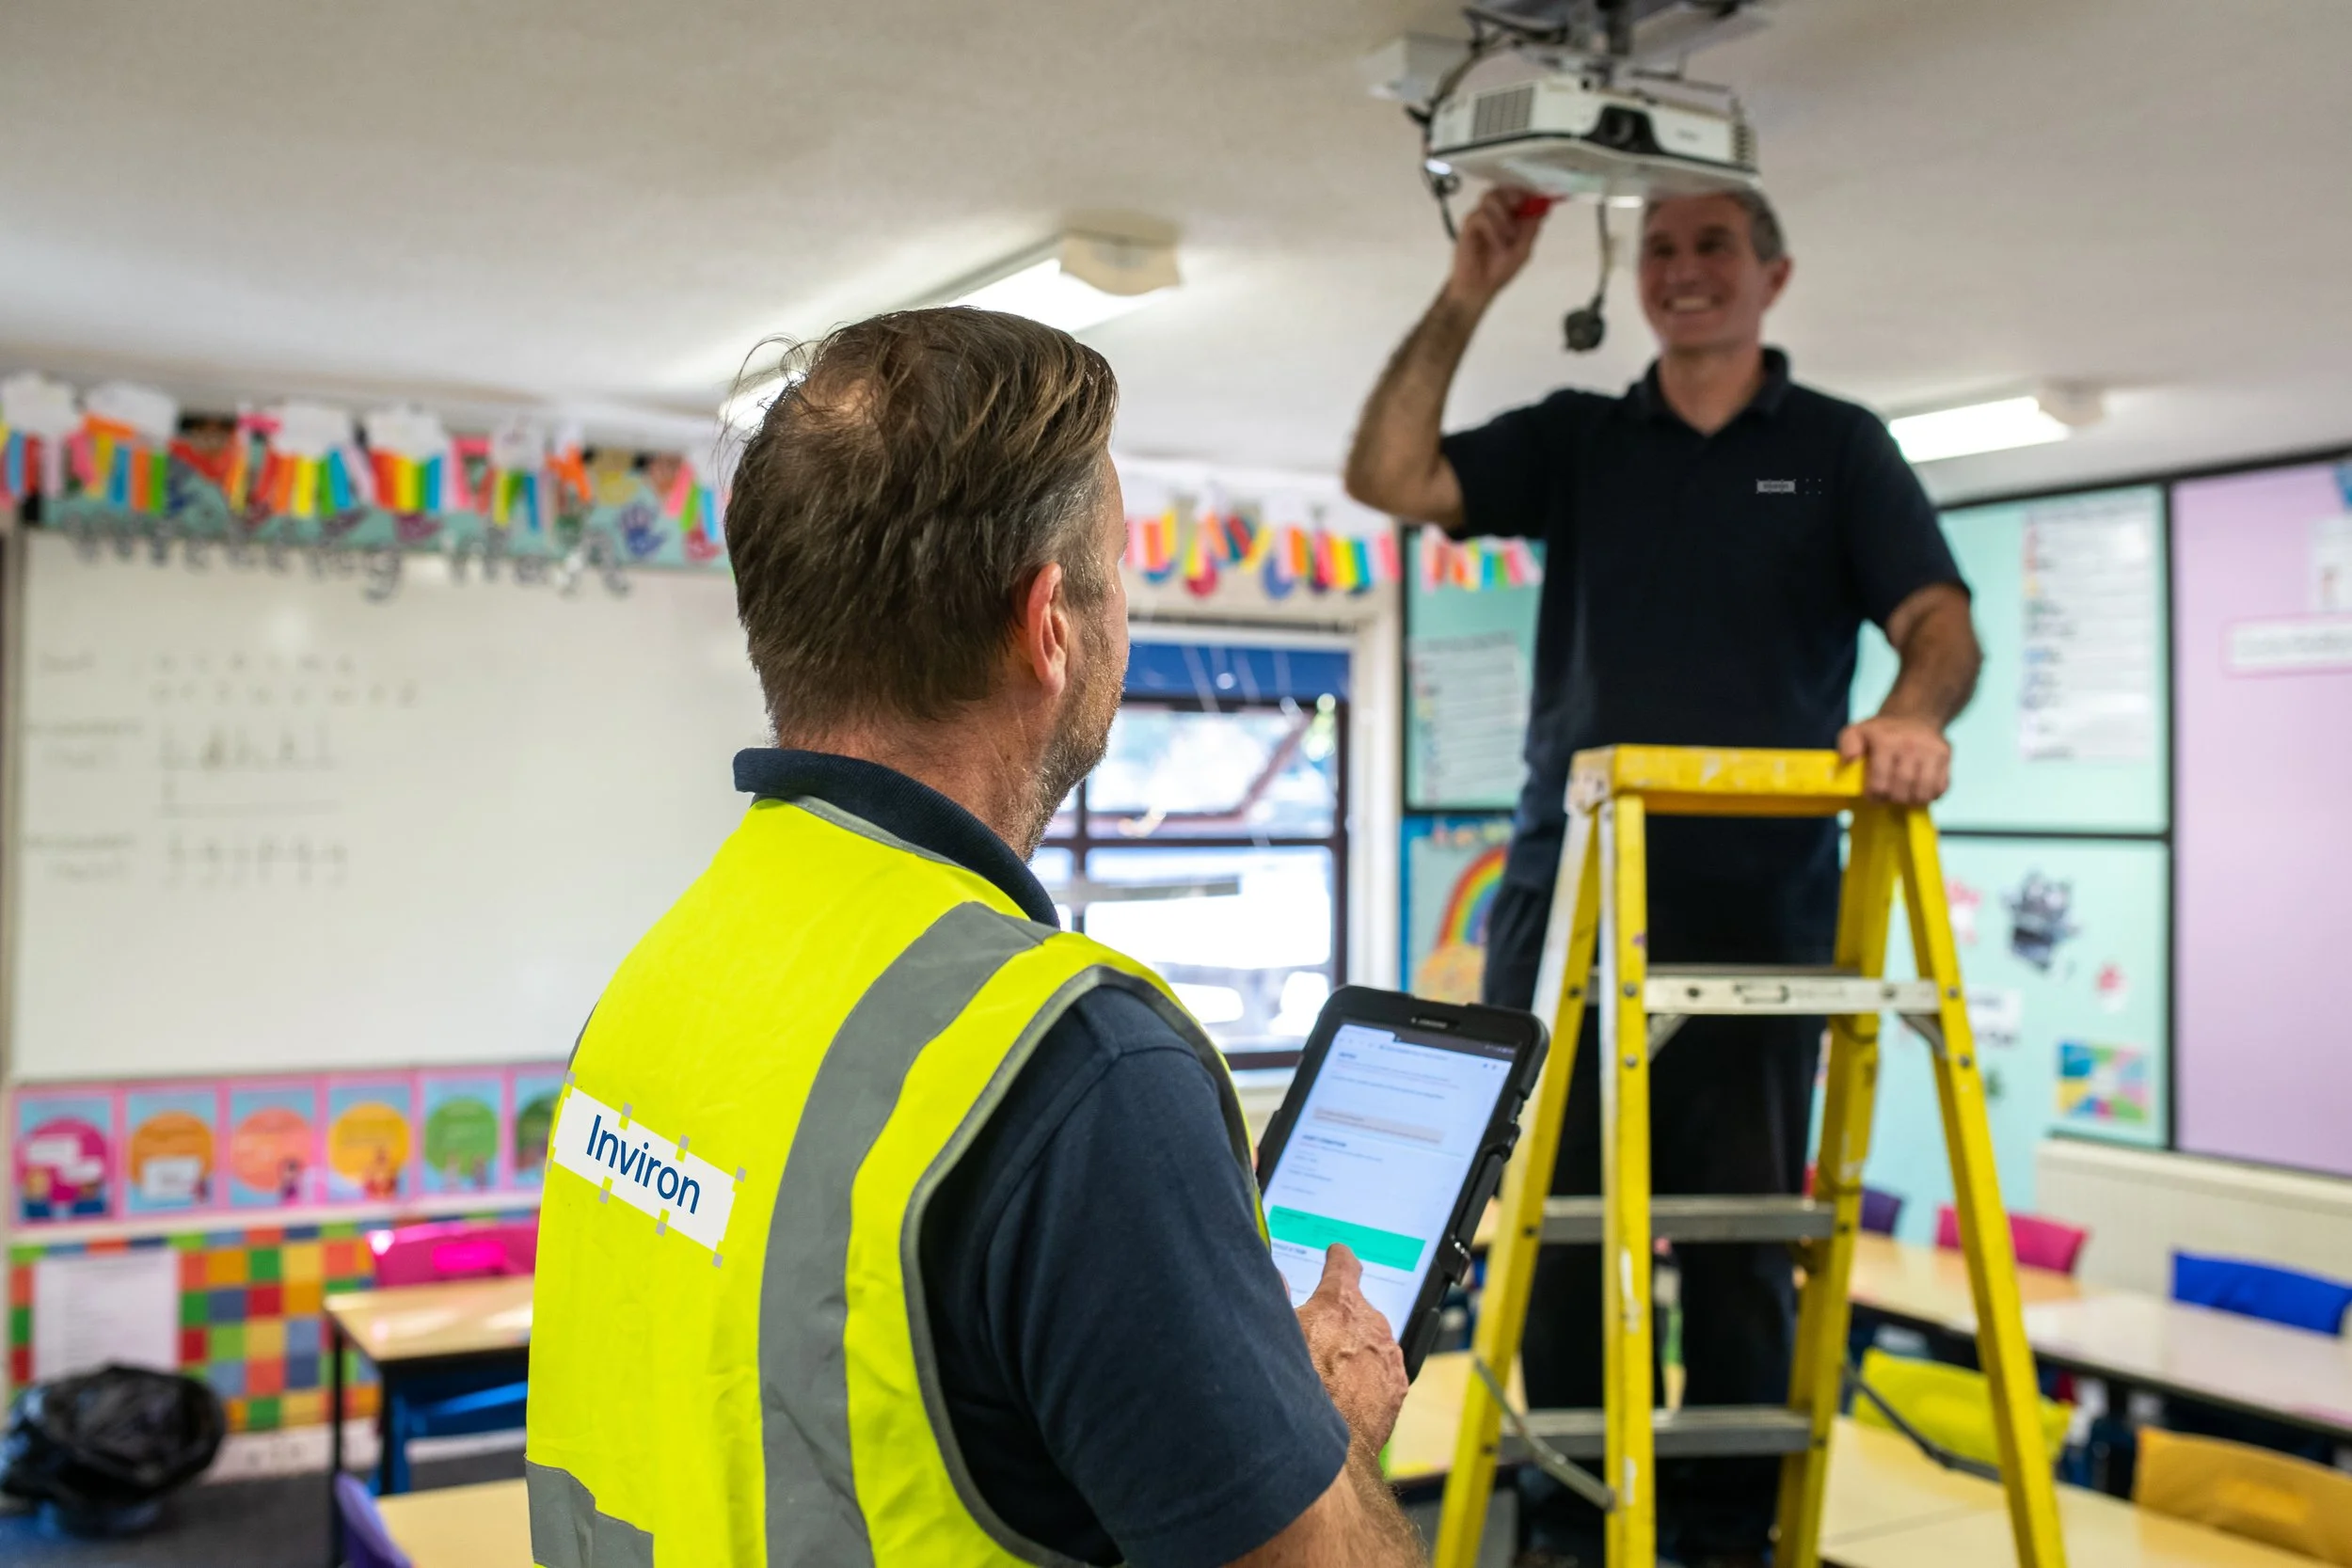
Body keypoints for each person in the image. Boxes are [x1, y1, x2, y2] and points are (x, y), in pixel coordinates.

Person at [526, 309, 1423, 1568]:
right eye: (1119, 576)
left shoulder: (665, 973)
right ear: (1048, 619)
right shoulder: (1081, 1069)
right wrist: (1322, 1428)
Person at [1344, 185, 1981, 1566]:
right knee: (1561, 1239)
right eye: (1661, 251)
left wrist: (1914, 713)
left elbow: (1940, 619)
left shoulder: (1836, 450)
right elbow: (1390, 478)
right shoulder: (1584, 438)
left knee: (1747, 1247)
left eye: (1714, 249)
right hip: (1572, 901)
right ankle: (1576, 1536)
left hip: (1765, 915)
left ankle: (1728, 1536)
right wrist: (1470, 290)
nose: (1684, 273)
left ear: (1774, 275)